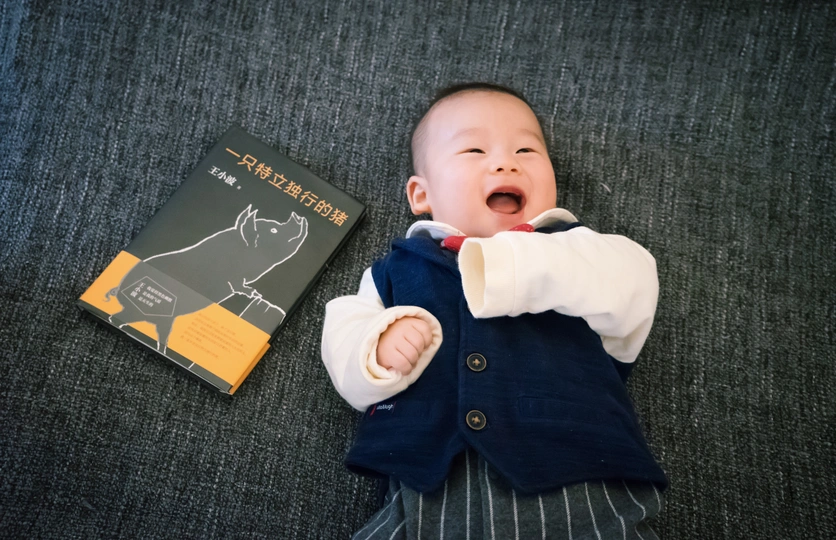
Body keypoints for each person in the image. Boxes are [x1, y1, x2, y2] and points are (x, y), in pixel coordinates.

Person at [322, 82, 667, 539]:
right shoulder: (394, 270)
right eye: (474, 150)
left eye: (526, 150)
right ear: (421, 195)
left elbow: (633, 288)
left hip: (579, 481)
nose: (506, 162)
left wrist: (513, 260)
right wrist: (376, 348)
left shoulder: (583, 251)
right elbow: (343, 331)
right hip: (426, 491)